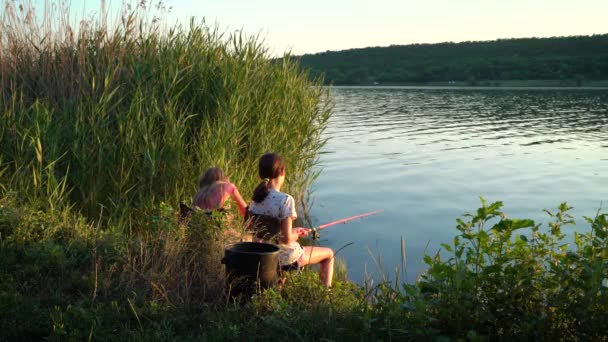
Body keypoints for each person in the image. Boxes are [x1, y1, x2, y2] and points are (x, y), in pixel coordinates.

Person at [248, 153, 334, 287]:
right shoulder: (285, 200)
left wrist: (294, 231)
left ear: (261, 175)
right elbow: (287, 239)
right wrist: (297, 234)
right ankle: (325, 298)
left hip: (264, 255)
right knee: (329, 254)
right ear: (282, 171)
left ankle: (279, 286)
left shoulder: (255, 199)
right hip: (285, 258)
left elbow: (266, 231)